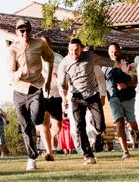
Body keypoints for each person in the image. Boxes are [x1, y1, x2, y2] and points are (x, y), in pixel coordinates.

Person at [7, 18, 54, 171]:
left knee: (36, 119)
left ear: (30, 31)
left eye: (27, 30)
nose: (24, 33)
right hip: (19, 90)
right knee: (26, 126)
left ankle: (38, 121)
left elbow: (50, 58)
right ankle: (31, 158)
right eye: (21, 30)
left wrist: (47, 81)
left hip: (36, 88)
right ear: (17, 32)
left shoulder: (39, 44)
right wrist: (17, 73)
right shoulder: (12, 49)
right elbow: (11, 71)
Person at [57, 38, 107, 165]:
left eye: (77, 49)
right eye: (71, 50)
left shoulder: (89, 56)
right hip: (76, 97)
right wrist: (63, 97)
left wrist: (119, 64)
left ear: (81, 49)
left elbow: (105, 61)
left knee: (100, 126)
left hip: (92, 95)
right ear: (68, 50)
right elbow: (61, 84)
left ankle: (97, 127)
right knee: (80, 127)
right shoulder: (64, 63)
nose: (74, 52)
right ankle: (88, 155)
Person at [103, 43, 139, 159]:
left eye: (116, 51)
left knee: (133, 124)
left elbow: (135, 80)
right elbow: (100, 82)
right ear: (108, 53)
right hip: (113, 98)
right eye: (111, 52)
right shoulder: (104, 67)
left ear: (120, 51)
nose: (114, 54)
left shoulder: (128, 64)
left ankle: (136, 133)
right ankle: (125, 152)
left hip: (129, 97)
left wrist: (126, 84)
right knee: (119, 123)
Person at [39, 36, 63, 161]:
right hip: (42, 94)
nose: (45, 46)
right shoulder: (36, 58)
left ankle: (53, 135)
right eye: (42, 44)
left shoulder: (58, 58)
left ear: (51, 45)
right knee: (45, 123)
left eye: (47, 43)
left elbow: (65, 74)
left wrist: (58, 76)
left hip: (57, 94)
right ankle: (49, 152)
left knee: (58, 126)